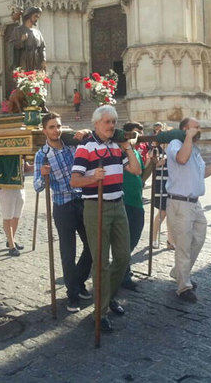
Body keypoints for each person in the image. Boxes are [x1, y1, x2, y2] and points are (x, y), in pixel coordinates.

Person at [70, 105, 141, 333]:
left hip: (117, 205)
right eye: (107, 122)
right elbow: (75, 181)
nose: (111, 126)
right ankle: (99, 313)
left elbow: (136, 170)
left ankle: (108, 296)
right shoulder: (86, 147)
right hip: (95, 206)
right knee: (100, 261)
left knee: (122, 257)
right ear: (96, 124)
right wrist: (93, 178)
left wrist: (127, 147)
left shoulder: (116, 148)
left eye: (114, 122)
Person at [34, 112, 92, 312]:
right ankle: (73, 295)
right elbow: (37, 186)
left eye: (58, 126)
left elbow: (92, 145)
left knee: (92, 246)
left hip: (82, 202)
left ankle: (78, 281)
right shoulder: (42, 155)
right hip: (63, 206)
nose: (56, 130)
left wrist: (86, 133)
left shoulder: (73, 146)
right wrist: (43, 176)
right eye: (51, 127)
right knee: (68, 252)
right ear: (44, 131)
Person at [166, 117, 211, 302]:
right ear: (185, 129)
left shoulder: (196, 149)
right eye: (196, 127)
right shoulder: (176, 144)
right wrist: (188, 138)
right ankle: (183, 286)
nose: (199, 129)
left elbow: (202, 174)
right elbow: (181, 159)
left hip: (194, 203)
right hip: (180, 202)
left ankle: (179, 272)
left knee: (198, 239)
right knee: (183, 245)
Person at [120, 122, 148, 292]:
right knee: (126, 240)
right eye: (136, 133)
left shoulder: (136, 152)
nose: (139, 137)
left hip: (137, 200)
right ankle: (124, 273)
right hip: (126, 201)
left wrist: (153, 163)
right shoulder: (123, 153)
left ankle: (123, 268)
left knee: (134, 237)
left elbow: (142, 176)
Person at [150, 144, 172, 249]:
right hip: (160, 184)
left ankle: (170, 241)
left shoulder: (172, 150)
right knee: (162, 212)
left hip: (171, 185)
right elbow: (149, 167)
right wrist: (159, 163)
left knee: (171, 214)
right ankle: (153, 238)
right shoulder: (155, 150)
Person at [12, 6, 46, 71]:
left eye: (38, 17)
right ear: (29, 16)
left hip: (36, 60)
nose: (37, 18)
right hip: (24, 60)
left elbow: (42, 47)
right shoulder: (18, 30)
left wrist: (43, 59)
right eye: (35, 16)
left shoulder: (38, 32)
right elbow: (12, 46)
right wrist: (21, 41)